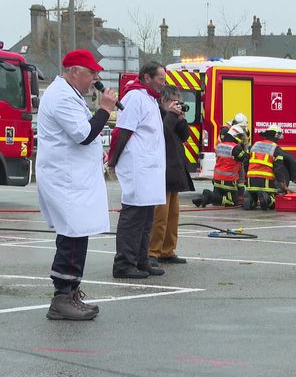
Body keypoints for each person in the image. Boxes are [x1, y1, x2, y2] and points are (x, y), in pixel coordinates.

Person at [36, 49, 117, 320]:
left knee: (77, 233)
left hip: (74, 179)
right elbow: (83, 134)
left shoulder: (71, 96)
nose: (95, 78)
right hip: (65, 180)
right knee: (71, 236)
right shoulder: (60, 97)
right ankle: (61, 297)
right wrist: (105, 109)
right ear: (74, 72)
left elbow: (84, 133)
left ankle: (70, 293)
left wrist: (99, 147)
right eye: (91, 73)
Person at [108, 61, 169, 278]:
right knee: (133, 216)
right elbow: (122, 131)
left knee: (146, 217)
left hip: (149, 168)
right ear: (146, 78)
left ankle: (141, 259)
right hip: (138, 167)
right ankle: (124, 263)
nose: (163, 83)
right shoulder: (134, 98)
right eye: (160, 79)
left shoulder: (150, 99)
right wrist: (113, 160)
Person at [148, 85, 194, 267]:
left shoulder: (173, 117)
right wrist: (172, 116)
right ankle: (152, 251)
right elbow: (163, 133)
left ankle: (167, 250)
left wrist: (181, 120)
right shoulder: (157, 115)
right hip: (161, 172)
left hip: (174, 171)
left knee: (172, 216)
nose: (177, 105)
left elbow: (184, 136)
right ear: (164, 101)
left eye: (179, 102)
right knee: (159, 216)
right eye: (174, 102)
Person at [193, 124, 248, 207]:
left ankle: (203, 199)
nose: (241, 139)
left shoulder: (219, 145)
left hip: (217, 180)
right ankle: (208, 194)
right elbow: (245, 158)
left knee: (218, 201)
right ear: (234, 135)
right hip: (228, 181)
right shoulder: (235, 148)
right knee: (233, 202)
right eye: (240, 136)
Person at [243, 125, 294, 210]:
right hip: (265, 183)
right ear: (276, 137)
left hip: (250, 182)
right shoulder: (276, 149)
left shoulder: (254, 146)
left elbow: (245, 162)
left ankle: (251, 198)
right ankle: (268, 199)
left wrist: (248, 175)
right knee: (274, 204)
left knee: (253, 193)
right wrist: (283, 185)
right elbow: (278, 169)